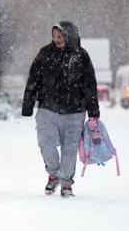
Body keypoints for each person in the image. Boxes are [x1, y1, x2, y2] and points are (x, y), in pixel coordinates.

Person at [21, 21, 100, 198]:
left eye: (60, 36)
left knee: (69, 149)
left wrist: (93, 111)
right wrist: (28, 104)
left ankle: (66, 183)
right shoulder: (45, 53)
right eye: (54, 36)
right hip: (47, 108)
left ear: (70, 36)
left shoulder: (81, 56)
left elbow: (90, 85)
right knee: (46, 144)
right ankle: (53, 173)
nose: (56, 40)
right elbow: (33, 78)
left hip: (75, 111)